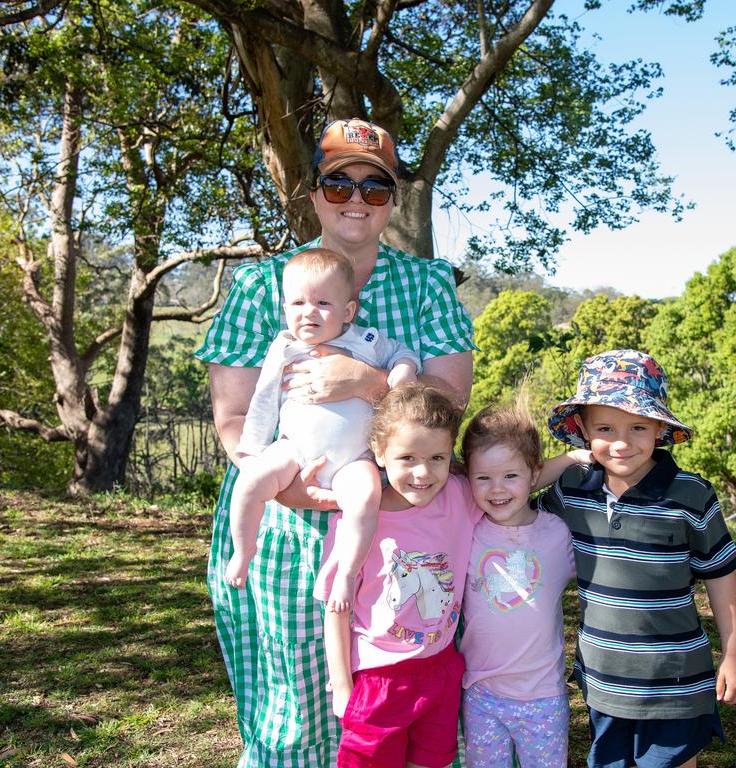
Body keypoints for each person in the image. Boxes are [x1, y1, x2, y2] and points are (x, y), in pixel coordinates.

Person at [195, 117, 475, 767]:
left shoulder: (429, 285)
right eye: (339, 183)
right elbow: (236, 417)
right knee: (290, 713)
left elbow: (449, 404)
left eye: (375, 188)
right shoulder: (259, 286)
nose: (356, 199)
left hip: (405, 533)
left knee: (399, 709)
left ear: (394, 200)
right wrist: (293, 491)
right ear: (313, 193)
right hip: (282, 534)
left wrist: (371, 382)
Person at [542, 349, 736, 768]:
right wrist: (569, 458)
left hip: (676, 678)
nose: (621, 442)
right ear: (582, 429)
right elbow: (513, 483)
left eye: (637, 426)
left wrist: (734, 653)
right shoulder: (570, 488)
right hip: (604, 678)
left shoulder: (691, 494)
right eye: (604, 428)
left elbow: (720, 575)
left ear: (660, 427)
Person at [227, 247, 420, 612]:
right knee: (250, 482)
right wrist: (252, 449)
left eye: (322, 303)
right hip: (293, 448)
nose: (308, 312)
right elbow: (264, 398)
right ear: (285, 309)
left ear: (348, 311)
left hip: (354, 458)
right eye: (297, 303)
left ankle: (347, 573)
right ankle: (243, 549)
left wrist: (403, 370)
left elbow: (403, 353)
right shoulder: (285, 348)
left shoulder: (366, 342)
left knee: (365, 498)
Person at [315, 385, 476, 768]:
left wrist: (572, 457)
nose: (423, 472)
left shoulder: (461, 496)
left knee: (432, 760)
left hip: (441, 667)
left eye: (438, 457)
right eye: (408, 458)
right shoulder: (359, 522)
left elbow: (521, 477)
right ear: (380, 453)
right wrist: (342, 686)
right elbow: (336, 609)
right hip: (379, 680)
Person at [457, 403, 586, 768]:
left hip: (543, 698)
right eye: (483, 478)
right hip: (481, 695)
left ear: (534, 474)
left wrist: (577, 457)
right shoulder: (467, 528)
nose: (496, 489)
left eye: (510, 476)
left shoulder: (557, 533)